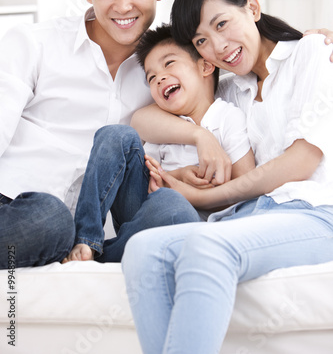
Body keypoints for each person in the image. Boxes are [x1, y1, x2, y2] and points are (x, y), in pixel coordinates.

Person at [122, 0, 333, 354]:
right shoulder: (232, 87)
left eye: (222, 24)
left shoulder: (313, 53)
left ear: (252, 6)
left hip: (318, 212)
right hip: (256, 215)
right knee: (143, 251)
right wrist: (199, 135)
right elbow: (141, 119)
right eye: (202, 40)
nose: (218, 47)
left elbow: (301, 161)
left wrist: (200, 198)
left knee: (208, 246)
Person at [0, 0, 205, 270]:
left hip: (95, 232)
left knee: (174, 213)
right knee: (50, 217)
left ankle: (93, 252)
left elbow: (238, 60)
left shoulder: (169, 69)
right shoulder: (33, 44)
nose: (122, 6)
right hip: (15, 209)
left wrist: (306, 45)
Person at [64, 24, 255, 263]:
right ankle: (86, 240)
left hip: (191, 223)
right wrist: (177, 176)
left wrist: (191, 190)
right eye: (151, 77)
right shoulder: (163, 124)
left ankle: (110, 255)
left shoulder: (227, 117)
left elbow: (247, 189)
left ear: (205, 66)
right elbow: (149, 181)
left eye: (169, 63)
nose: (159, 78)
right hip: (142, 213)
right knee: (115, 134)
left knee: (172, 204)